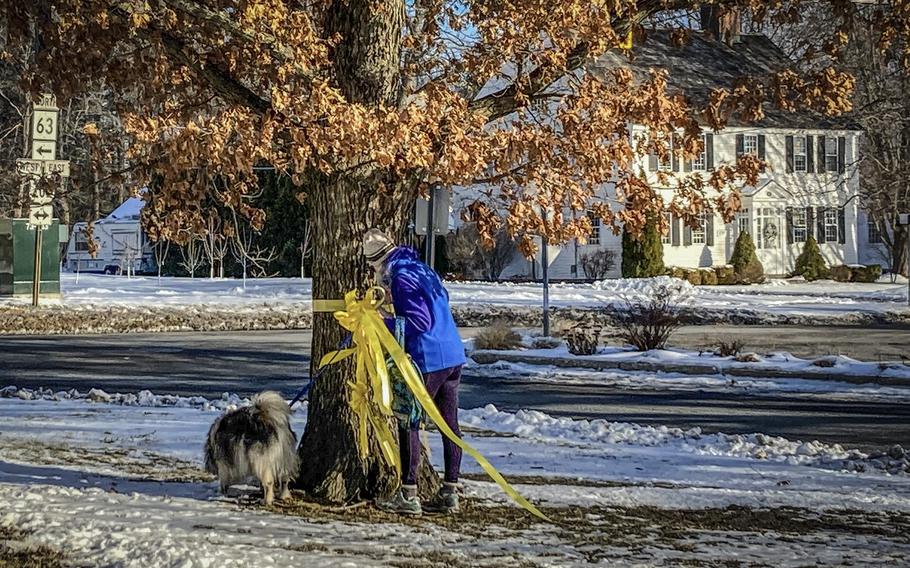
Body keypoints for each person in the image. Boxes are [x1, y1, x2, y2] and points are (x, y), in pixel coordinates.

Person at [362, 228, 466, 515]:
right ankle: (450, 490)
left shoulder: (401, 278)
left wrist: (379, 324)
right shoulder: (422, 269)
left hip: (428, 358)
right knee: (449, 424)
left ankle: (409, 494)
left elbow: (417, 321)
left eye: (375, 269)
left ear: (380, 264)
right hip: (453, 354)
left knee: (409, 421)